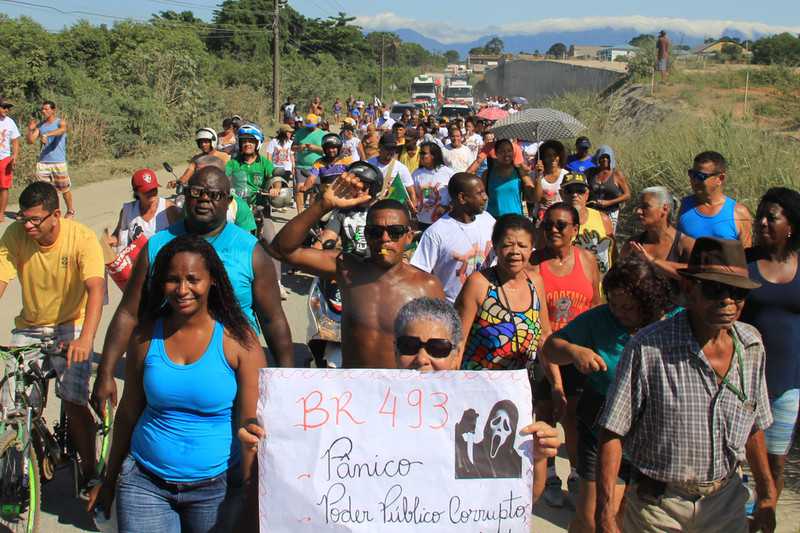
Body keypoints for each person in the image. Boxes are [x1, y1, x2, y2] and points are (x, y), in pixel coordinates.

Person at [596, 237, 777, 533]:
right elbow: (612, 431)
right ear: (690, 289)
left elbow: (754, 425)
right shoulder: (649, 347)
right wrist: (605, 512)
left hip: (725, 502)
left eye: (738, 292)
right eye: (715, 290)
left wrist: (767, 497)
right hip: (659, 508)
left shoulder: (752, 345)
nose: (728, 301)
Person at [87, 235, 265, 533]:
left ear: (213, 281)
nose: (183, 290)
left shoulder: (240, 341)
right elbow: (129, 412)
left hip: (216, 490)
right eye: (173, 280)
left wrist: (250, 498)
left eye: (193, 279)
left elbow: (251, 427)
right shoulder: (145, 337)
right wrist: (109, 480)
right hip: (144, 482)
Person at [91, 166, 293, 416]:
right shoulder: (157, 246)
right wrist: (105, 371)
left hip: (234, 372)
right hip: (167, 370)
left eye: (215, 194)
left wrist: (287, 377)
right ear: (185, 196)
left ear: (229, 202)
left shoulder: (250, 251)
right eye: (196, 192)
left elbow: (273, 319)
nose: (205, 199)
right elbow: (129, 313)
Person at [543, 256, 673, 532]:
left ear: (649, 303)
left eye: (627, 307)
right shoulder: (598, 319)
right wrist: (574, 351)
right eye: (613, 303)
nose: (617, 312)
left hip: (654, 431)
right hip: (600, 423)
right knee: (593, 517)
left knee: (631, 515)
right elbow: (551, 347)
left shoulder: (673, 323)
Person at [392, 296, 560, 503]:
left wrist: (537, 456)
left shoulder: (478, 418)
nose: (422, 359)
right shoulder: (366, 414)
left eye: (438, 348)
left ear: (457, 354)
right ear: (395, 349)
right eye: (409, 345)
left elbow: (520, 500)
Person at [268, 176, 445, 369]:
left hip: (402, 394)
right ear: (366, 235)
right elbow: (281, 249)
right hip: (353, 391)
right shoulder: (347, 268)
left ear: (409, 236)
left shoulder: (427, 286)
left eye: (395, 231)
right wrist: (323, 205)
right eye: (375, 232)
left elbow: (441, 352)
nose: (385, 239)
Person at [0, 182, 105, 486]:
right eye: (23, 218)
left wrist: (85, 339)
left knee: (73, 402)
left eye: (35, 219)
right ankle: (23, 465)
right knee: (12, 404)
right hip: (30, 326)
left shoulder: (81, 238)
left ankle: (89, 473)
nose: (28, 225)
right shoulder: (15, 235)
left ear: (56, 215)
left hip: (71, 324)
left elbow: (96, 289)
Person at [530, 202, 601, 508]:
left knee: (575, 415)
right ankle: (547, 477)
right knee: (546, 414)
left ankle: (574, 473)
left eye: (561, 225)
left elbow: (596, 305)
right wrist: (554, 377)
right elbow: (539, 324)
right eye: (548, 225)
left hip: (579, 353)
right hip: (545, 354)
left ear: (576, 229)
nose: (554, 230)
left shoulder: (587, 260)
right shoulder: (535, 264)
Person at [741, 187, 800, 506]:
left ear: (790, 225)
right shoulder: (743, 262)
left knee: (775, 461)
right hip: (745, 380)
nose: (762, 222)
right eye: (760, 215)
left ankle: (764, 519)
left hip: (788, 382)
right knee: (741, 459)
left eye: (771, 217)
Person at [457, 214, 551, 373]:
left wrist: (556, 386)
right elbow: (458, 341)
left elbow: (544, 336)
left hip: (522, 386)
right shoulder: (478, 284)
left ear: (531, 248)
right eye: (508, 245)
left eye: (522, 245)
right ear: (495, 246)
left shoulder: (535, 282)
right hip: (479, 385)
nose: (515, 251)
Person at [411, 173, 495, 303]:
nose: (485, 198)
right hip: (453, 309)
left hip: (489, 304)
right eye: (480, 193)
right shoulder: (435, 233)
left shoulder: (488, 220)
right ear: (462, 198)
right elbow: (419, 275)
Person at [677, 150, 752, 247]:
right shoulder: (684, 206)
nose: (694, 180)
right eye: (692, 174)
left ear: (720, 179)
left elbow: (747, 257)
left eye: (700, 176)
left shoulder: (739, 213)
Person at [623, 186, 695, 280]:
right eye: (638, 207)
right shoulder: (632, 245)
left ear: (665, 209)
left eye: (645, 207)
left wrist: (651, 261)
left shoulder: (686, 245)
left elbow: (695, 277)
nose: (638, 211)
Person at [108, 168, 182, 251]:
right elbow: (119, 237)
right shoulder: (128, 211)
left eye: (154, 189)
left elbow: (182, 238)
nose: (151, 193)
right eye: (146, 191)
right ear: (136, 192)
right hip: (137, 261)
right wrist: (110, 240)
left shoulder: (169, 209)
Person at [26, 100, 75, 217]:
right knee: (44, 191)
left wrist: (46, 135)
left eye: (47, 109)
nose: (44, 111)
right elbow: (30, 141)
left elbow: (62, 130)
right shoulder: (40, 125)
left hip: (58, 161)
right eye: (43, 109)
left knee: (64, 189)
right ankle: (50, 212)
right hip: (43, 162)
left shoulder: (60, 122)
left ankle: (70, 210)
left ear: (53, 110)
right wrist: (31, 129)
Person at [561, 173, 615, 275]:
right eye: (569, 191)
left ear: (587, 194)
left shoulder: (603, 219)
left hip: (600, 283)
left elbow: (612, 253)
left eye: (580, 190)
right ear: (561, 194)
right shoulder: (554, 222)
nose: (574, 195)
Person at [483, 139, 536, 219]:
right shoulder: (487, 173)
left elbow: (532, 196)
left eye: (509, 150)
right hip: (493, 220)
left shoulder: (520, 172)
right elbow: (480, 196)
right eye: (502, 151)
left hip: (516, 219)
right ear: (496, 154)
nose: (506, 154)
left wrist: (539, 176)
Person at [586, 145, 630, 230]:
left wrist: (609, 202)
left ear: (611, 159)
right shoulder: (591, 173)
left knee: (607, 238)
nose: (605, 160)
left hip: (610, 212)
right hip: (592, 211)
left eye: (607, 157)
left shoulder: (617, 174)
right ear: (598, 158)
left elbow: (627, 195)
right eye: (602, 157)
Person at [367, 133, 416, 208]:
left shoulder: (401, 168)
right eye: (387, 148)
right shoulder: (369, 164)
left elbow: (411, 191)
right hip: (370, 207)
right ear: (380, 147)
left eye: (393, 148)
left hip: (390, 209)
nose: (390, 151)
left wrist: (413, 207)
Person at [411, 142, 454, 228]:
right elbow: (413, 195)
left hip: (442, 221)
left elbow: (455, 195)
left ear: (434, 155)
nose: (421, 156)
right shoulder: (416, 173)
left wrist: (447, 207)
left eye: (424, 153)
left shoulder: (448, 173)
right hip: (421, 221)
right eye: (420, 153)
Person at [292, 114, 325, 213]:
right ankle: (300, 213)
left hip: (317, 167)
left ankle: (310, 214)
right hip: (301, 166)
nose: (309, 128)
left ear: (317, 123)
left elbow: (327, 150)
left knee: (314, 192)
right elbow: (292, 147)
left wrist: (315, 148)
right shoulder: (299, 132)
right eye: (308, 126)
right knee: (299, 188)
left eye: (312, 126)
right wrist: (299, 147)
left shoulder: (322, 134)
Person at [533, 140, 569, 220]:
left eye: (555, 155)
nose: (552, 158)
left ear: (560, 156)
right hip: (540, 220)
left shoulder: (566, 175)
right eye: (548, 155)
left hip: (560, 218)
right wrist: (538, 176)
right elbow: (536, 198)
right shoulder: (535, 174)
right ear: (543, 158)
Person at [0, 98, 20, 222]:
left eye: (8, 108)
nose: (6, 110)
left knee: (4, 187)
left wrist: (15, 155)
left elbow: (15, 140)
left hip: (4, 159)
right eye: (4, 107)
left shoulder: (10, 122)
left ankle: (1, 213)